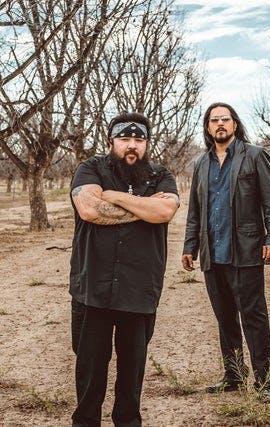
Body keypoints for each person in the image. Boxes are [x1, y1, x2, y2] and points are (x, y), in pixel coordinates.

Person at [69, 112, 180, 426]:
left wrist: (114, 196)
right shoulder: (90, 168)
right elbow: (89, 209)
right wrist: (144, 207)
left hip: (139, 287)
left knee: (132, 371)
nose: (132, 145)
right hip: (93, 286)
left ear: (147, 143)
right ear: (111, 140)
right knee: (90, 369)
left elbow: (164, 212)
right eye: (125, 139)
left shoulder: (160, 175)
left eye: (139, 139)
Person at [181, 102, 270, 402]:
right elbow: (195, 210)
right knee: (225, 318)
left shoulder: (255, 155)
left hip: (246, 251)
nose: (220, 124)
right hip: (213, 254)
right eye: (214, 120)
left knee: (253, 317)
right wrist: (190, 246)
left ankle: (264, 380)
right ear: (208, 127)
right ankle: (234, 376)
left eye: (225, 119)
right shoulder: (201, 163)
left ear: (235, 124)